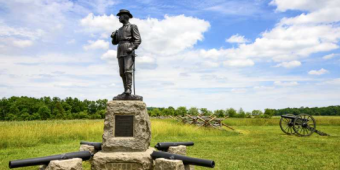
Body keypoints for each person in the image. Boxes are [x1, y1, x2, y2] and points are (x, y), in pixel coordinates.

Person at [111, 9, 141, 95]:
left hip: (128, 49)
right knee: (121, 72)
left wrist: (132, 47)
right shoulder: (119, 30)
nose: (119, 18)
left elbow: (138, 39)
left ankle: (129, 89)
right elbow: (114, 42)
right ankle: (125, 90)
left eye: (120, 16)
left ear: (125, 16)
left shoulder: (133, 26)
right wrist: (113, 37)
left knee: (127, 70)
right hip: (120, 49)